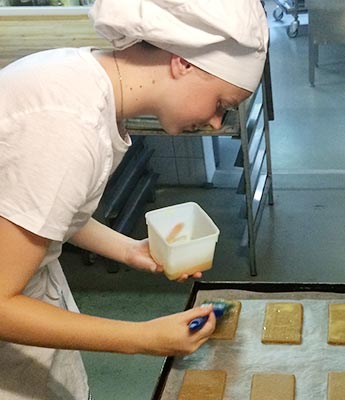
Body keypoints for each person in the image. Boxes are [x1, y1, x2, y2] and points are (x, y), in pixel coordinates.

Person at [0, 0, 269, 398]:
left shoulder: (79, 82)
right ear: (183, 63)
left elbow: (40, 212)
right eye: (221, 104)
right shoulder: (69, 127)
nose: (216, 121)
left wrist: (131, 251)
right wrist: (143, 338)